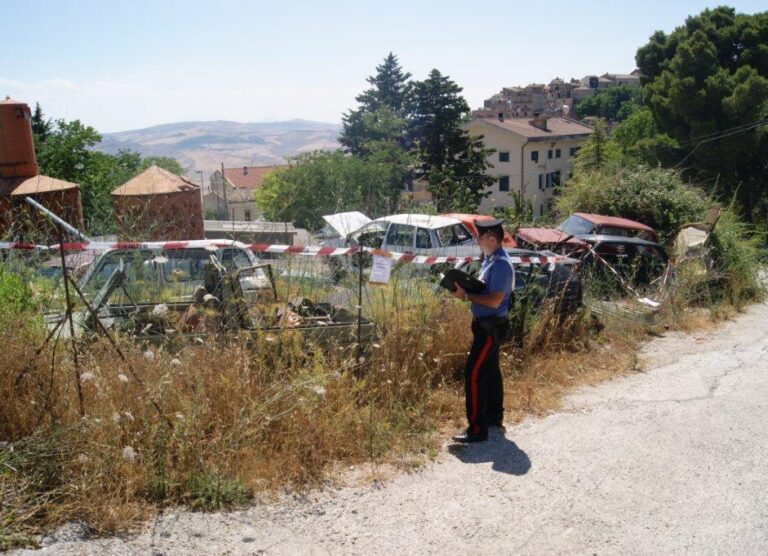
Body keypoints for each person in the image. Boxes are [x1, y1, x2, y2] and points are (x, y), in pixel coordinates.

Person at [450, 219, 515, 443]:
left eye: (479, 236)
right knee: (490, 371)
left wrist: (466, 296)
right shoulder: (491, 260)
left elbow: (495, 300)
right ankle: (493, 417)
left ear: (491, 238)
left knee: (474, 373)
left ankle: (477, 429)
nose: (476, 240)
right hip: (485, 325)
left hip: (490, 327)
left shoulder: (501, 265)